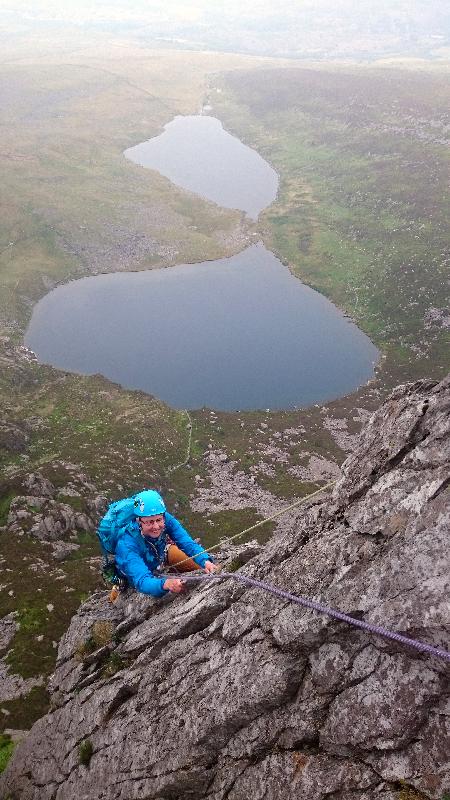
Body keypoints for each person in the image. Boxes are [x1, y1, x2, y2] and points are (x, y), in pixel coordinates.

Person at [115, 489, 217, 597]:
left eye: (158, 520)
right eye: (149, 522)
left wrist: (205, 561)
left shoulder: (166, 519)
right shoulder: (126, 543)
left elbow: (187, 543)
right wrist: (166, 584)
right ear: (138, 521)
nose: (156, 526)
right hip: (136, 571)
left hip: (161, 557)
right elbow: (142, 581)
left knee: (205, 567)